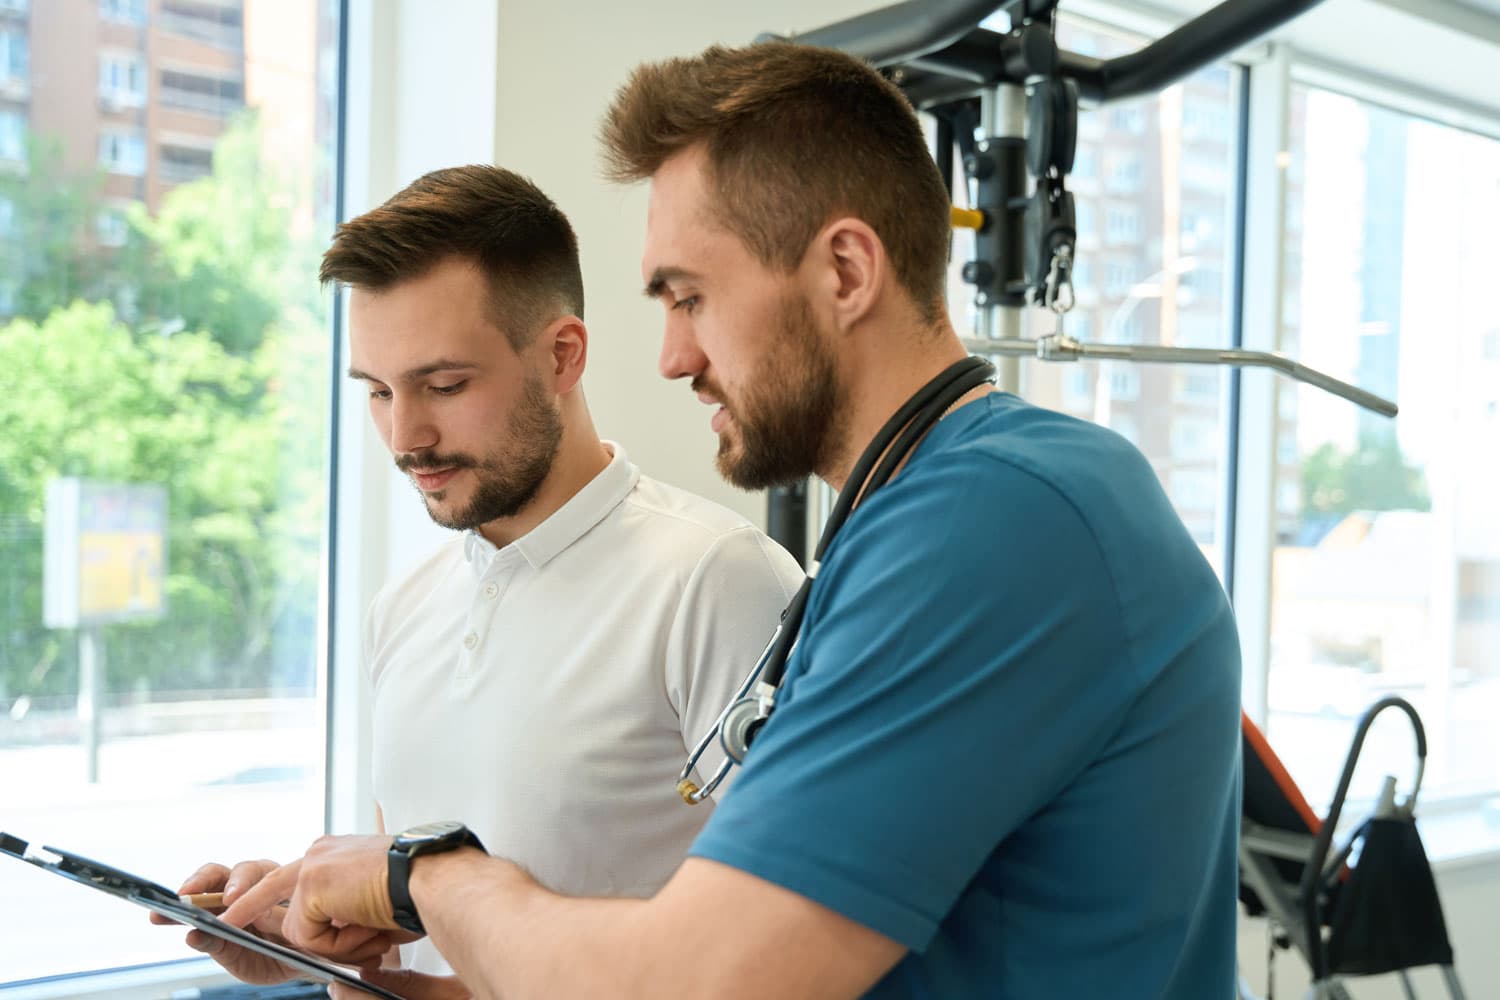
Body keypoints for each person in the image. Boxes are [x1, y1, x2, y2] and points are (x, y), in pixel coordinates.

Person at [223, 42, 1243, 1000]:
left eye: (691, 297)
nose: (671, 356)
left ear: (844, 271)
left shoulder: (995, 522)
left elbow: (703, 979)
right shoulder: (923, 517)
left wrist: (423, 880)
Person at [159, 164, 804, 981]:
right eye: (379, 392)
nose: (406, 437)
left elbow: (779, 962)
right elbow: (426, 927)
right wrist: (304, 934)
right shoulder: (403, 609)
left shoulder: (718, 582)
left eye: (444, 385)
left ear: (563, 356)